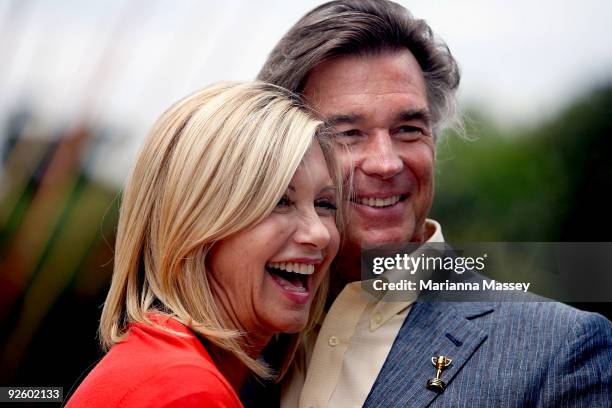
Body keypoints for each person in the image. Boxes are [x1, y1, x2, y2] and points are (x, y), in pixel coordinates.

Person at [257, 1, 612, 407]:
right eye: (350, 133)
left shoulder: (560, 351)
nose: (387, 163)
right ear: (285, 150)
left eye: (408, 129)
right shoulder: (238, 330)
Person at [66, 81, 344, 407]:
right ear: (197, 222)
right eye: (280, 200)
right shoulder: (186, 391)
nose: (319, 233)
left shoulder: (167, 367)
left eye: (325, 204)